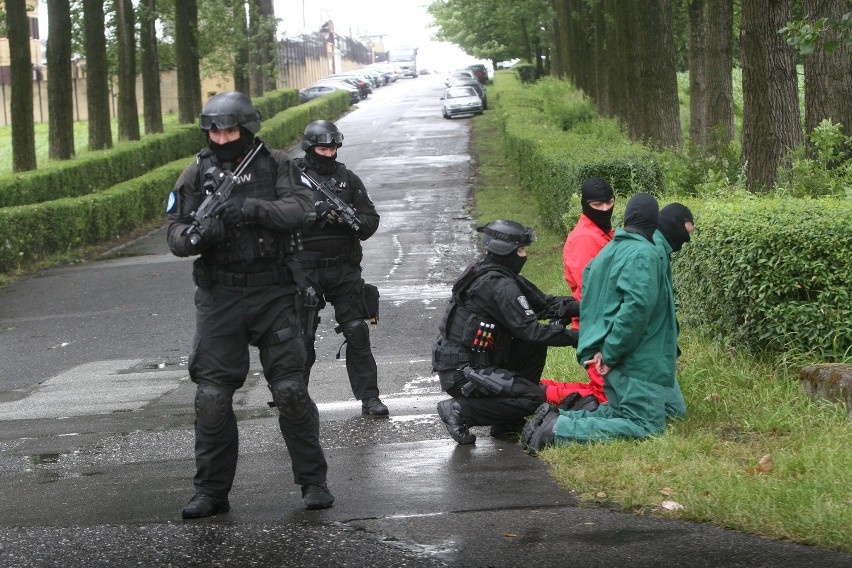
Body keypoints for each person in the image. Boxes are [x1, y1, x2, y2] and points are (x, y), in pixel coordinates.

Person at [166, 91, 334, 518]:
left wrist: (249, 209)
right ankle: (210, 492)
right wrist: (199, 234)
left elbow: (300, 210)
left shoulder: (276, 164)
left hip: (273, 291)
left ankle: (313, 482)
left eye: (232, 129)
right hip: (220, 295)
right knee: (212, 396)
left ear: (247, 128)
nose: (224, 138)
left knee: (291, 390)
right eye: (216, 131)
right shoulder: (195, 171)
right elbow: (176, 231)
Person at [522, 193, 678, 452]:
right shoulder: (644, 253)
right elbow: (635, 310)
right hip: (633, 361)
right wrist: (611, 353)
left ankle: (558, 419)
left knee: (620, 411)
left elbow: (590, 301)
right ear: (652, 221)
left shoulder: (610, 250)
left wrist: (598, 348)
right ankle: (559, 429)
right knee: (647, 425)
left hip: (608, 352)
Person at [432, 219, 580, 444]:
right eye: (520, 249)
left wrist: (594, 305)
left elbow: (547, 305)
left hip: (479, 362)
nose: (523, 255)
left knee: (532, 346)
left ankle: (506, 422)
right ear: (507, 251)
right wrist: (580, 338)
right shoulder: (498, 285)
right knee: (535, 398)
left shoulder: (497, 274)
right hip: (465, 373)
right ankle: (459, 410)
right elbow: (533, 331)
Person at [294, 120, 388, 417]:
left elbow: (370, 220)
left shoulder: (348, 178)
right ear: (310, 148)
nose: (329, 153)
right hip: (305, 269)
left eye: (334, 148)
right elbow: (274, 217)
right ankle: (296, 403)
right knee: (302, 337)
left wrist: (351, 221)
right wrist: (314, 213)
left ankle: (370, 398)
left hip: (344, 268)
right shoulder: (291, 178)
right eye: (323, 148)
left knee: (358, 329)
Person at [540, 177, 616, 405]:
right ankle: (538, 393)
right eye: (597, 205)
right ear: (585, 204)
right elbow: (592, 291)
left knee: (606, 391)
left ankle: (539, 389)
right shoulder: (585, 238)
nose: (604, 209)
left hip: (600, 325)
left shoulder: (603, 233)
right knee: (606, 397)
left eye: (609, 203)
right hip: (594, 327)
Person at [654, 202, 695, 420]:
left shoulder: (662, 248)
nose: (687, 240)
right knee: (672, 412)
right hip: (651, 349)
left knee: (674, 411)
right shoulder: (656, 252)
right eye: (686, 232)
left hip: (658, 347)